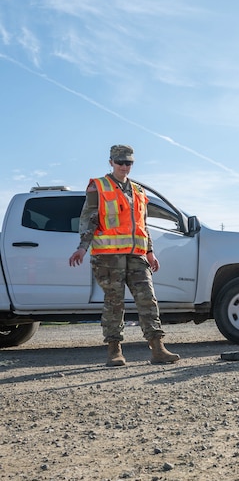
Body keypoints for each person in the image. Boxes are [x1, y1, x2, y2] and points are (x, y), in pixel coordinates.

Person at [69, 144, 180, 367]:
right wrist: (82, 247)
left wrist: (150, 251)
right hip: (108, 257)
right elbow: (89, 218)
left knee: (148, 299)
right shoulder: (98, 186)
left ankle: (157, 348)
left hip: (137, 255)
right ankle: (114, 351)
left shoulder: (138, 191)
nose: (124, 166)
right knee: (114, 302)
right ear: (111, 162)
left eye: (128, 162)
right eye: (120, 162)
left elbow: (141, 224)